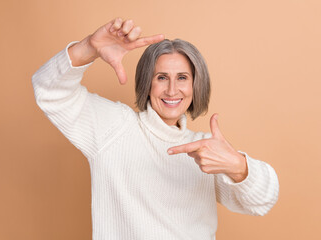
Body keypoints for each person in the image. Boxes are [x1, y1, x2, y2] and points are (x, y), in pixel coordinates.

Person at [32, 18, 279, 240]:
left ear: (195, 85)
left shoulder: (206, 150)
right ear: (146, 82)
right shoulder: (115, 127)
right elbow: (49, 91)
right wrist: (88, 48)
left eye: (182, 77)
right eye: (161, 77)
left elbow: (262, 202)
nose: (172, 90)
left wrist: (239, 166)